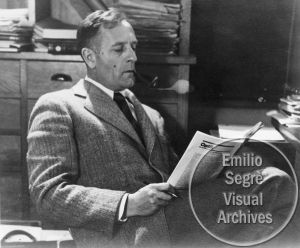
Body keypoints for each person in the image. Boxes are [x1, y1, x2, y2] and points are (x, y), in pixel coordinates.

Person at [27, 8, 296, 248]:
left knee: (272, 182)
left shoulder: (151, 115)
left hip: (169, 220)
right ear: (90, 57)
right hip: (124, 235)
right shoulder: (58, 106)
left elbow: (175, 178)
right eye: (119, 49)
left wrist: (211, 165)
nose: (132, 56)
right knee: (274, 183)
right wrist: (128, 204)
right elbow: (47, 195)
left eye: (133, 46)